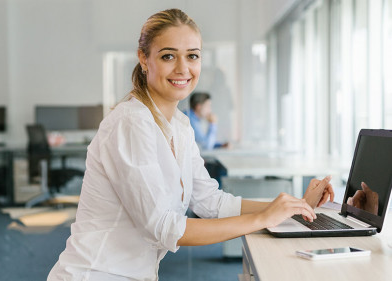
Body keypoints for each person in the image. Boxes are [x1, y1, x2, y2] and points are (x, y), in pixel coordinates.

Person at [47, 8, 334, 281]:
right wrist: (263, 219)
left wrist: (294, 206)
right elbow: (164, 228)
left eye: (192, 56)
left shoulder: (180, 126)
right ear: (144, 59)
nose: (183, 68)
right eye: (168, 56)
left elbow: (210, 202)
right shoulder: (131, 123)